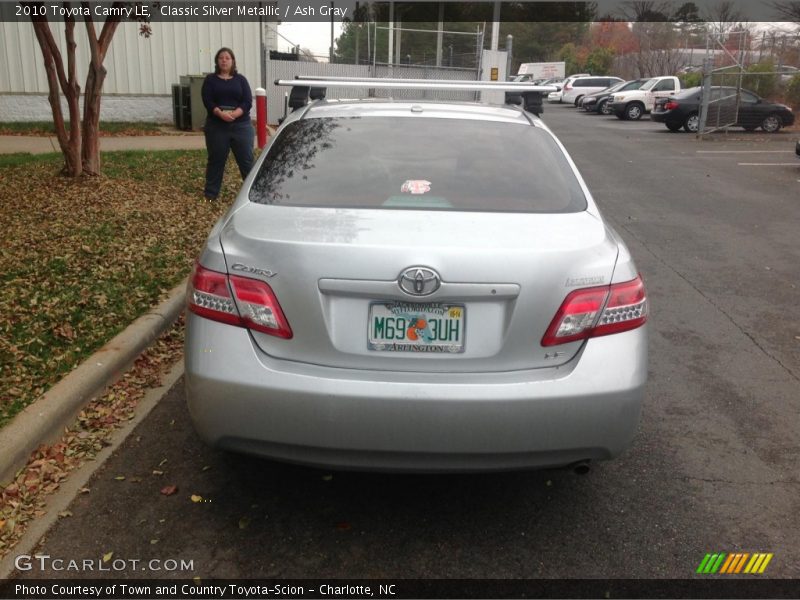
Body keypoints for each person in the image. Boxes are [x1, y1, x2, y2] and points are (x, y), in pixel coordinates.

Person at [201, 47, 254, 201]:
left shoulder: (241, 80)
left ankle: (254, 193)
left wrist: (236, 113)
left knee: (247, 160)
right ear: (217, 61)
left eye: (227, 58)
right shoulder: (210, 80)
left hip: (241, 126)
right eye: (221, 58)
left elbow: (247, 101)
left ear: (232, 61)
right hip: (217, 126)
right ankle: (211, 194)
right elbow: (207, 100)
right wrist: (219, 113)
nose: (224, 60)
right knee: (216, 160)